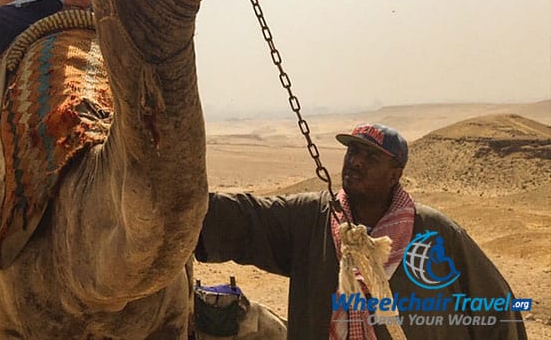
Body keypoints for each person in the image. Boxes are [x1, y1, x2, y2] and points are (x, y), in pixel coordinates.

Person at [195, 123, 528, 339]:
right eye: (352, 151)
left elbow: (497, 310)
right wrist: (180, 205)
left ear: (394, 174)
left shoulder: (436, 233)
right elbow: (247, 219)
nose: (354, 161)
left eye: (370, 155)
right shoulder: (311, 220)